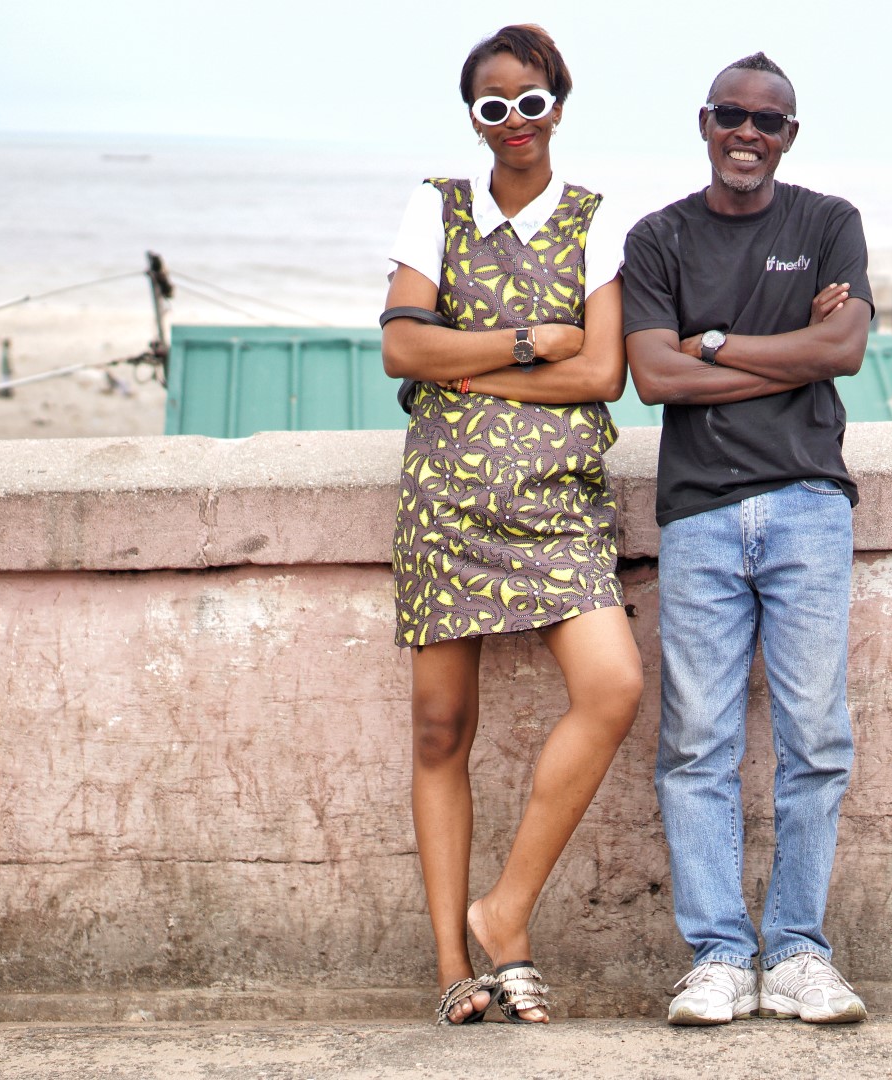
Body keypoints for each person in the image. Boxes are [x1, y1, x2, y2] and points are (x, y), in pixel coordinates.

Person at [381, 23, 642, 1026]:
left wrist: (465, 362)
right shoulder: (435, 206)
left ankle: (506, 911)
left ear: (559, 106)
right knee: (441, 728)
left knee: (614, 686)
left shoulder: (595, 222)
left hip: (560, 511)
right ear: (474, 118)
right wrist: (532, 340)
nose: (515, 122)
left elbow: (603, 374)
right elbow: (404, 349)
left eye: (532, 102)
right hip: (446, 505)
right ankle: (456, 966)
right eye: (494, 106)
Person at [621, 51, 873, 1026]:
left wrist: (714, 343)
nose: (748, 134)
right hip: (699, 513)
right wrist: (790, 361)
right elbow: (654, 378)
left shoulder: (827, 223)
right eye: (733, 115)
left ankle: (801, 954)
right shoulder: (658, 239)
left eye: (769, 121)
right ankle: (721, 956)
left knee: (816, 738)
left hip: (810, 502)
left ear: (789, 136)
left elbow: (843, 349)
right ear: (705, 121)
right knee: (697, 745)